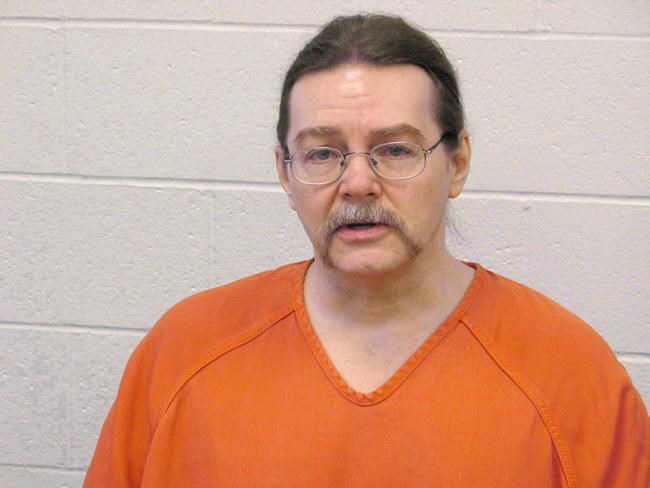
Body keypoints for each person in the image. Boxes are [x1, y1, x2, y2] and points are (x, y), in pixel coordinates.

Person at [84, 13, 648, 488]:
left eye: (396, 149)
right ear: (285, 173)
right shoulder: (182, 354)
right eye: (322, 153)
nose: (357, 183)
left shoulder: (571, 377)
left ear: (457, 164)